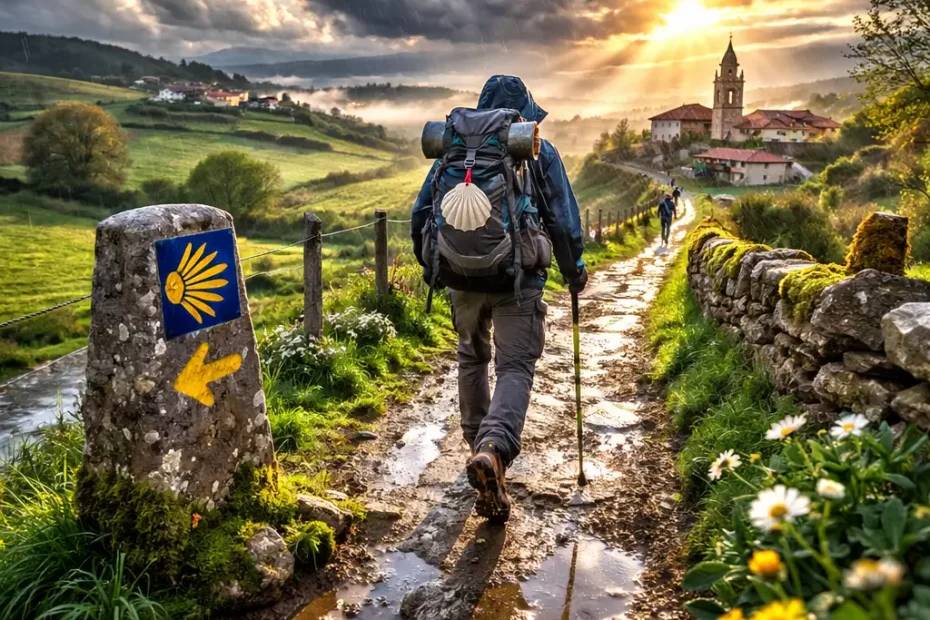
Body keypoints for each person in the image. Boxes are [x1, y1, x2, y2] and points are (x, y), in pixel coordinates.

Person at [411, 75, 587, 523]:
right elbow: (563, 223)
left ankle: (478, 450)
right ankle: (493, 452)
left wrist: (438, 266)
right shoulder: (539, 151)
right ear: (525, 111)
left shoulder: (457, 149)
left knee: (471, 358)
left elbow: (421, 214)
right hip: (518, 281)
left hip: (460, 278)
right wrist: (573, 272)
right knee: (514, 366)